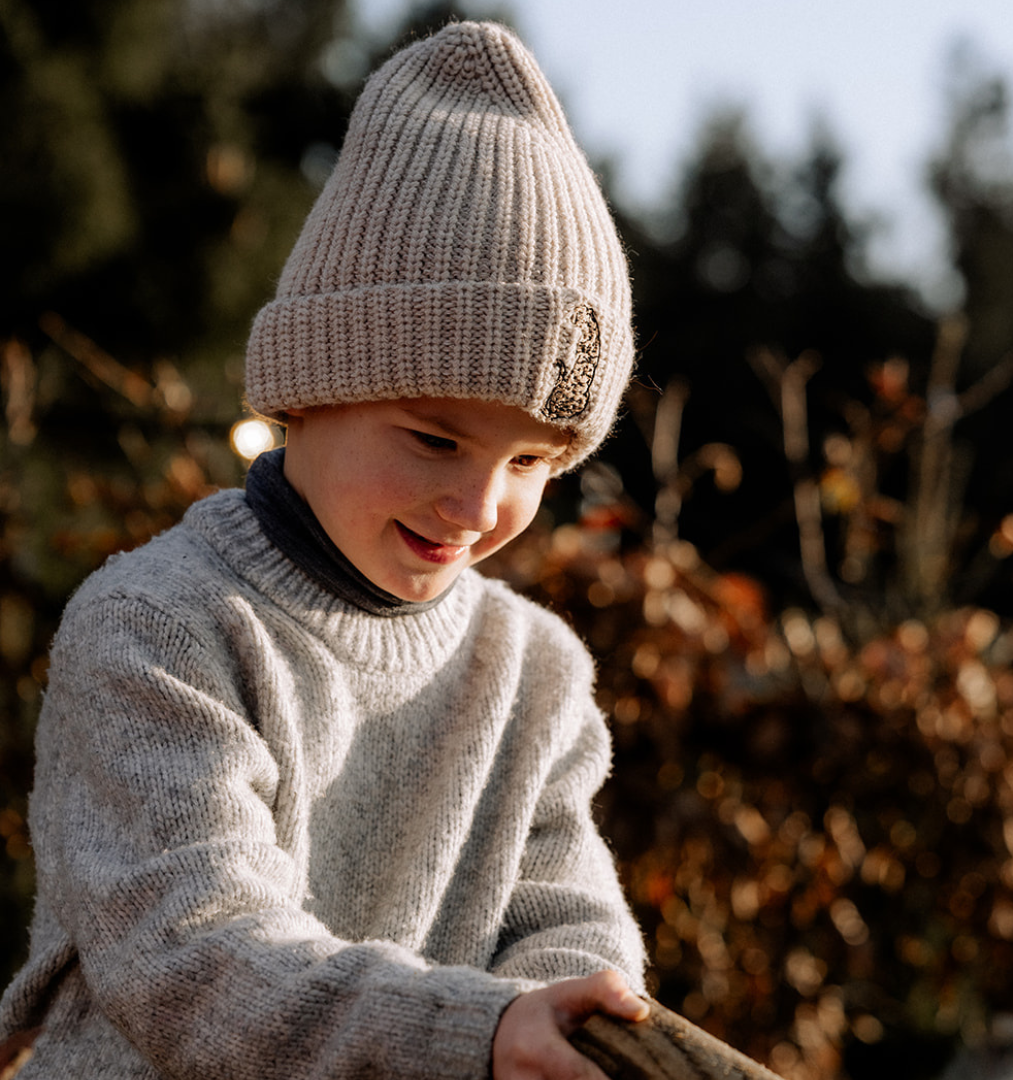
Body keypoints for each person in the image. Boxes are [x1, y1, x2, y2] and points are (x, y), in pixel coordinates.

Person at [0, 18, 651, 1080]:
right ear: (311, 389)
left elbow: (572, 924)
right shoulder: (162, 626)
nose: (479, 504)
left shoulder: (537, 675)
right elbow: (195, 953)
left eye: (534, 462)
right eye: (435, 438)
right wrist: (474, 1034)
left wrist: (577, 1016)